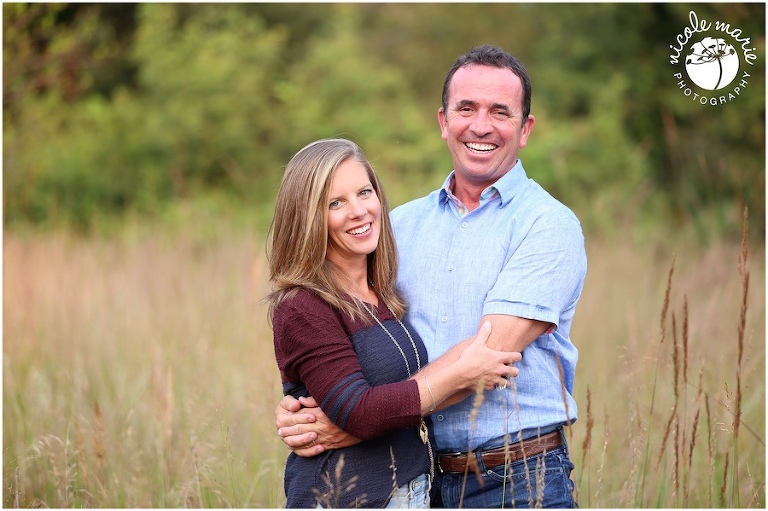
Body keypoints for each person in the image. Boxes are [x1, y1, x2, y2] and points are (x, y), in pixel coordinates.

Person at [275, 45, 587, 508]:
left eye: (500, 112)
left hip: (517, 479)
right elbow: (353, 342)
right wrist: (321, 400)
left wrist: (358, 417)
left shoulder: (548, 225)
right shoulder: (399, 226)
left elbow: (486, 356)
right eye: (466, 108)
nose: (480, 126)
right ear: (443, 122)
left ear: (525, 129)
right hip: (421, 481)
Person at [267, 137, 521, 508]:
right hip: (349, 498)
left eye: (364, 192)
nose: (358, 211)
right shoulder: (304, 306)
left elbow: (386, 402)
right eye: (334, 203)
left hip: (412, 492)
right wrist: (462, 373)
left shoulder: (383, 292)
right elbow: (361, 411)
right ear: (307, 217)